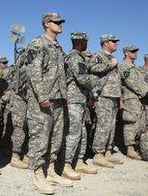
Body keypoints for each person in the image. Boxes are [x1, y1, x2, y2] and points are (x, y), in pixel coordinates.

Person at [25, 12, 74, 194]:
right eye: (57, 22)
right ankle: (38, 174)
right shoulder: (38, 43)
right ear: (47, 23)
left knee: (56, 137)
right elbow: (34, 71)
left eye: (61, 21)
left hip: (59, 98)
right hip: (43, 100)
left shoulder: (58, 47)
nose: (60, 24)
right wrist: (42, 95)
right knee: (40, 137)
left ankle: (51, 171)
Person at [64, 31, 99, 179]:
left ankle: (78, 161)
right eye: (85, 41)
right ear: (80, 42)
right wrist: (99, 80)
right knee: (73, 132)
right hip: (73, 100)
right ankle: (66, 164)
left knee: (82, 132)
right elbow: (83, 78)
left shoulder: (79, 57)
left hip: (80, 100)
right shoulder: (74, 57)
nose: (87, 44)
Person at [88, 34, 123, 168]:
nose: (116, 43)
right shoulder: (98, 56)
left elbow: (117, 80)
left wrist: (120, 98)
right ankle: (98, 154)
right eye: (113, 41)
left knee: (111, 125)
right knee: (103, 125)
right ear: (105, 43)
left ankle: (108, 151)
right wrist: (109, 64)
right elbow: (92, 69)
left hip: (113, 96)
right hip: (103, 95)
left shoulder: (113, 58)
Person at [118, 44, 148, 160]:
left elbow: (141, 82)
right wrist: (143, 92)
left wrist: (146, 93)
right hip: (131, 97)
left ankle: (137, 145)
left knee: (139, 123)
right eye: (132, 51)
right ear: (126, 53)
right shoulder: (124, 66)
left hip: (139, 98)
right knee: (131, 122)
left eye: (136, 51)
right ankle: (129, 149)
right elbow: (129, 82)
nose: (135, 53)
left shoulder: (134, 67)